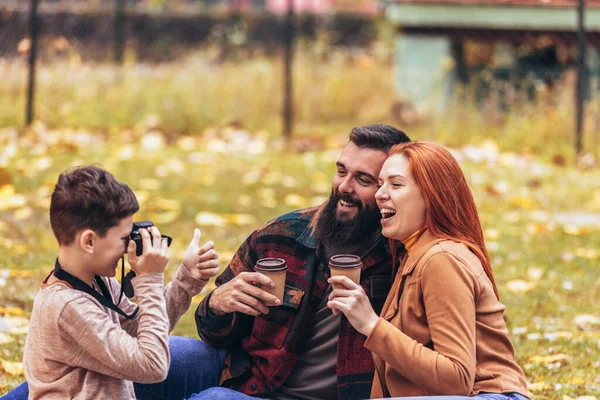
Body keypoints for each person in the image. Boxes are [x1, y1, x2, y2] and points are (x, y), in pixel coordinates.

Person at [191, 124, 411, 400]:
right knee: (171, 357)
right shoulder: (280, 237)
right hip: (257, 389)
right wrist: (216, 306)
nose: (344, 187)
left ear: (390, 189)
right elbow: (215, 333)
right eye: (341, 171)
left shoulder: (404, 256)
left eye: (363, 180)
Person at [326, 141, 531, 399]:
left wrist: (371, 324)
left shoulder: (441, 258)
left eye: (396, 184)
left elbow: (457, 379)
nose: (380, 194)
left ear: (432, 196)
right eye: (381, 183)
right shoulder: (414, 255)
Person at [13, 165, 219, 400]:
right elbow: (153, 365)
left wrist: (186, 279)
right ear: (89, 241)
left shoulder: (97, 281)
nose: (129, 248)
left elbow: (139, 331)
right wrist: (148, 280)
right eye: (124, 238)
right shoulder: (66, 306)